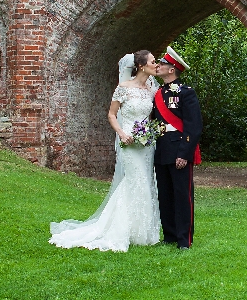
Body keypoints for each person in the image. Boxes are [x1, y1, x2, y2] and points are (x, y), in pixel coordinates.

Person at [50, 51, 163, 252]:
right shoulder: (123, 88)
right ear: (141, 66)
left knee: (146, 182)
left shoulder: (152, 89)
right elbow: (111, 115)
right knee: (134, 182)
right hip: (128, 142)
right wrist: (121, 132)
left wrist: (151, 132)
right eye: (153, 61)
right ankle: (120, 229)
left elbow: (155, 116)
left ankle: (143, 232)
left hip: (146, 144)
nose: (157, 64)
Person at [152, 47, 202, 250]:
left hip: (179, 148)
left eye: (162, 64)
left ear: (172, 69)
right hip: (162, 149)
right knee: (165, 194)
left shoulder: (186, 92)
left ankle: (184, 239)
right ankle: (170, 235)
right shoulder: (158, 93)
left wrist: (184, 153)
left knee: (182, 195)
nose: (158, 66)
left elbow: (194, 125)